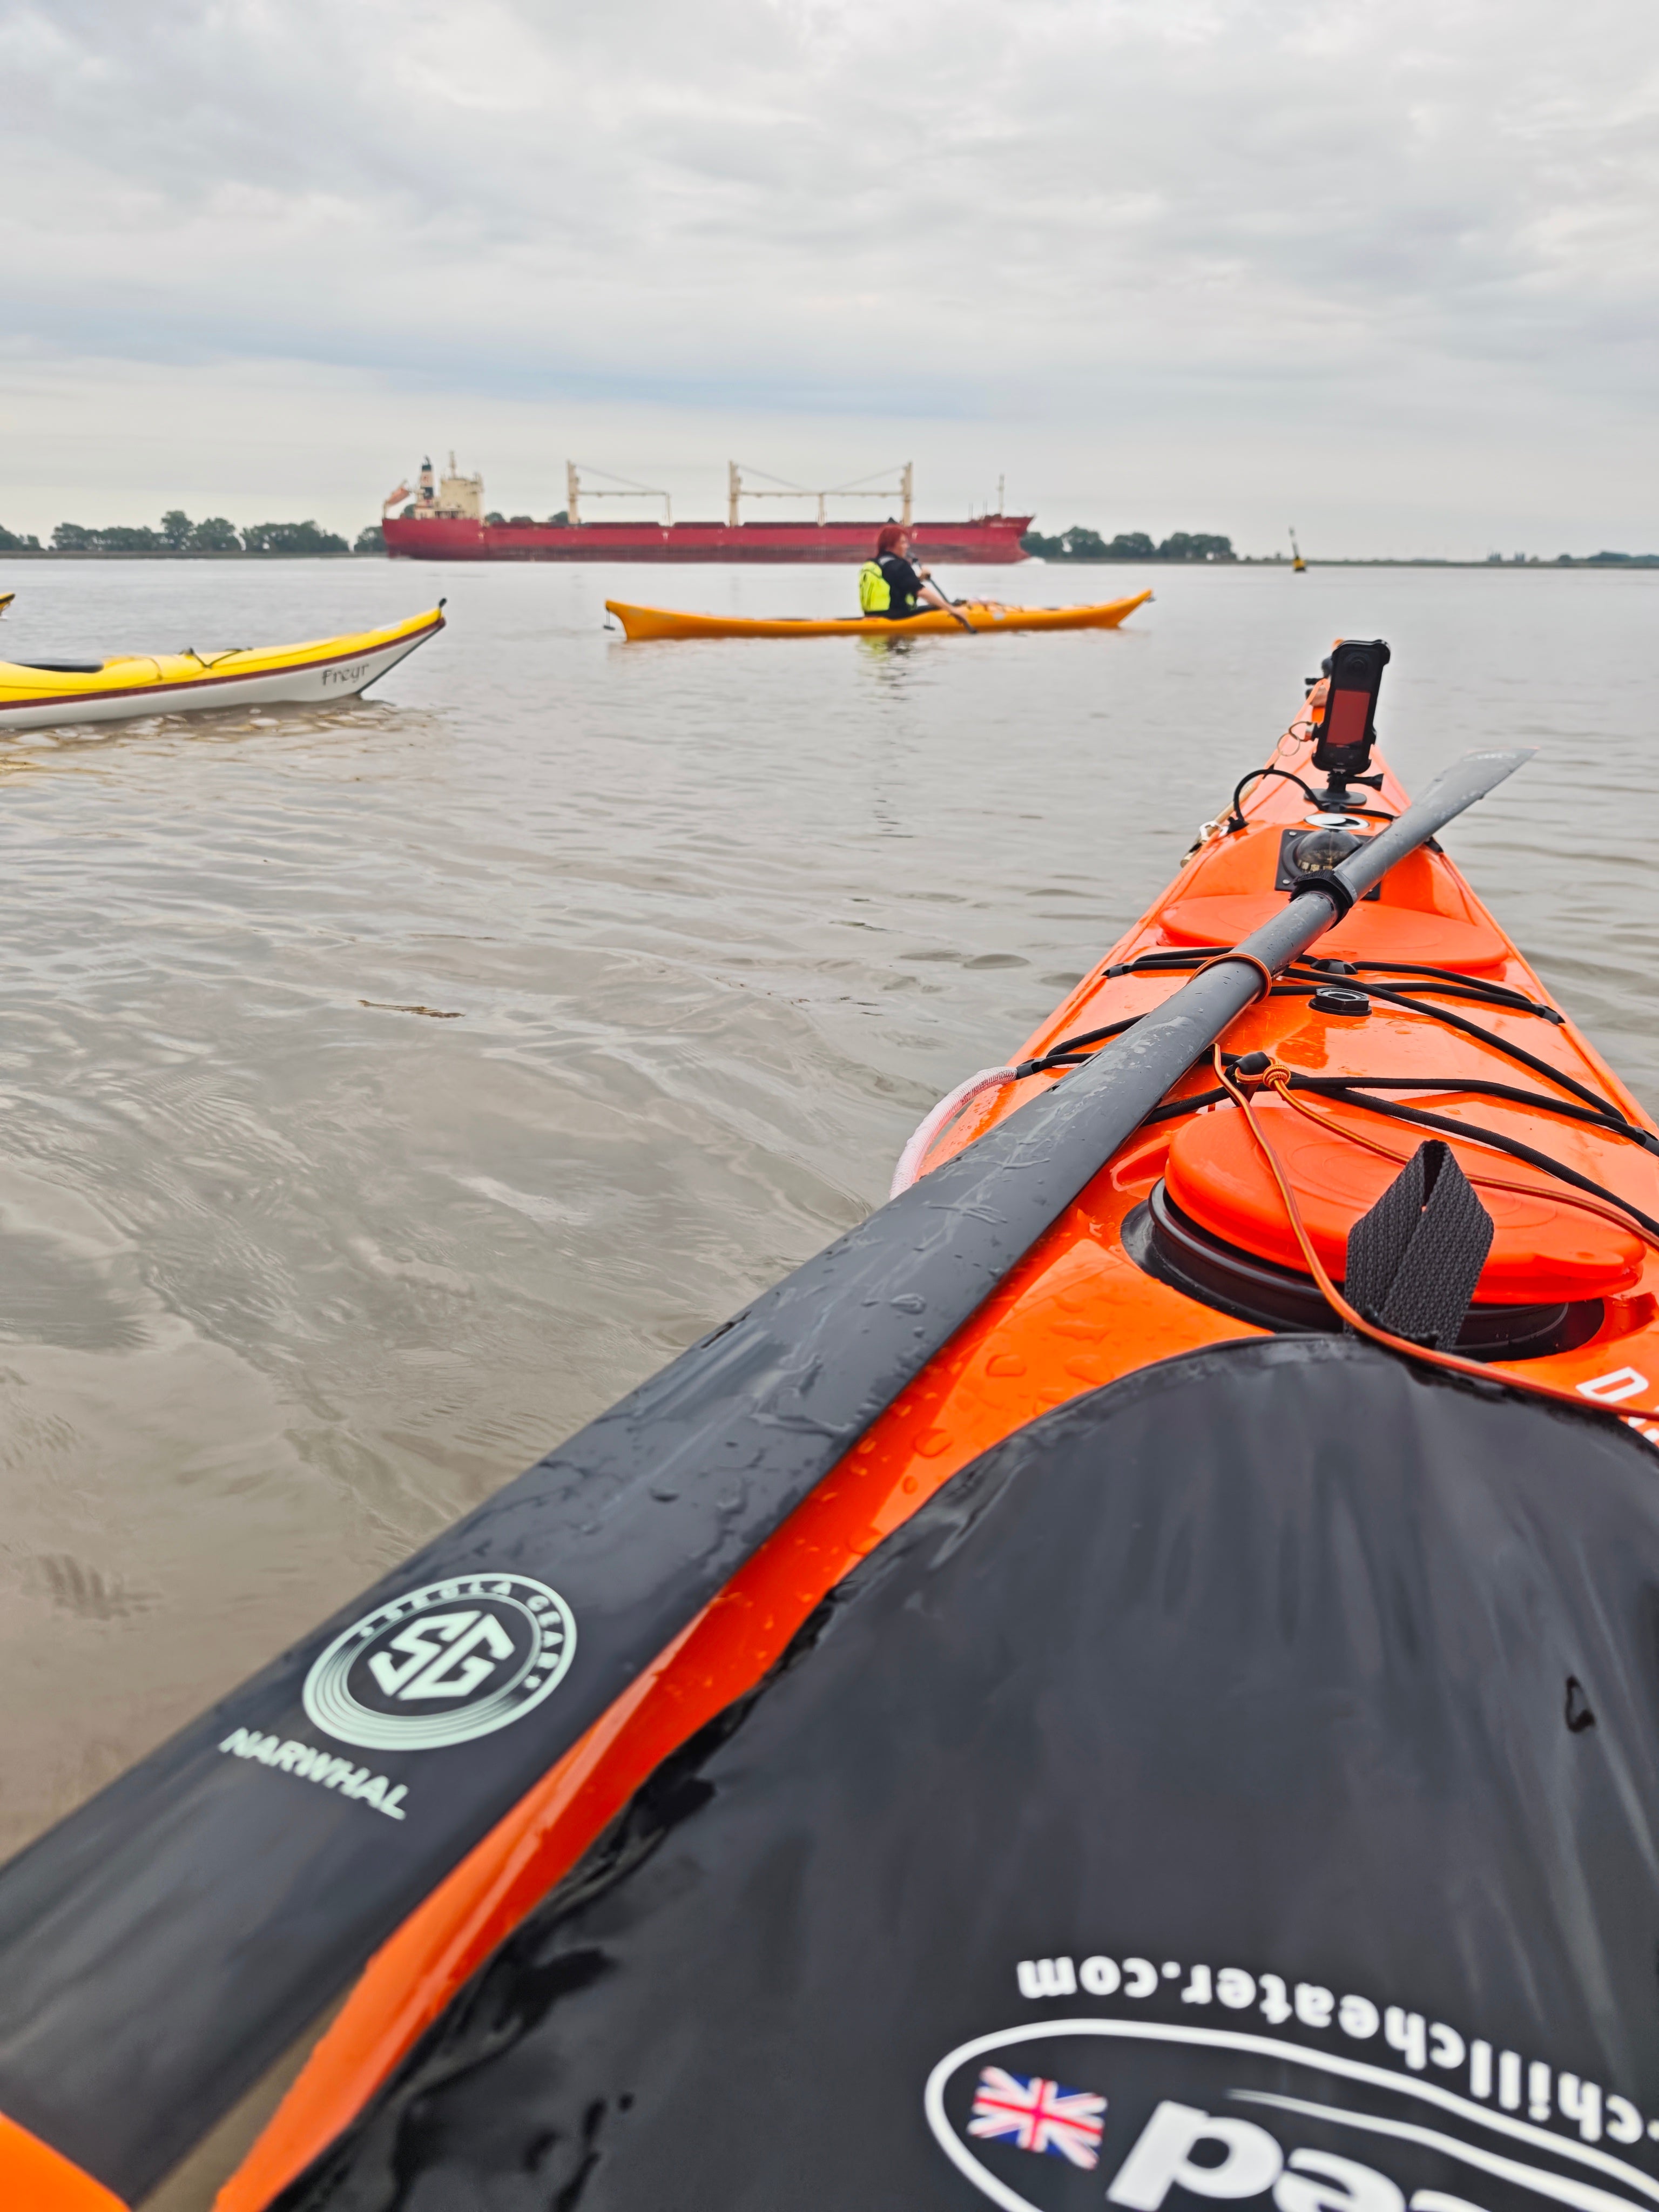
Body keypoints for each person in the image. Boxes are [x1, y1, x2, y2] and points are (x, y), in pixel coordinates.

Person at [858, 525, 963, 619]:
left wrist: (920, 578)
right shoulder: (899, 566)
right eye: (903, 542)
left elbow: (897, 585)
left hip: (873, 616)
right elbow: (922, 592)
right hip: (897, 616)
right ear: (891, 545)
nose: (907, 546)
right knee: (940, 608)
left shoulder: (876, 564)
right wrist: (952, 610)